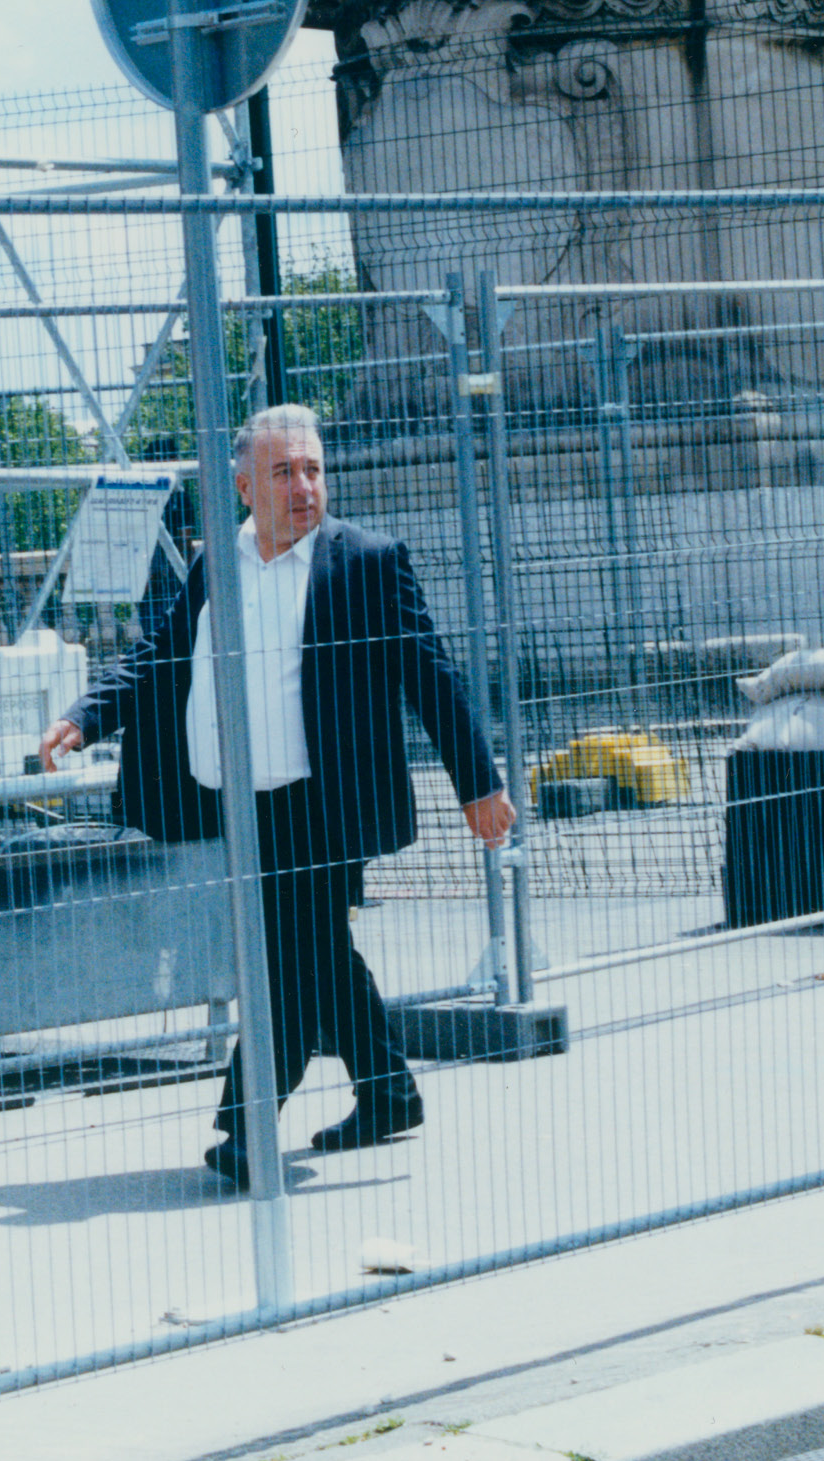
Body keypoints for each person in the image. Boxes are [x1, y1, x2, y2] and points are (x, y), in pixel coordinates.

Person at [38, 406, 514, 1186]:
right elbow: (157, 657)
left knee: (286, 965)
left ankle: (244, 1127)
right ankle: (389, 1090)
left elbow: (432, 673)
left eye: (313, 469)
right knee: (318, 952)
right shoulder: (214, 566)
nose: (304, 486)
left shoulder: (366, 562)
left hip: (320, 801)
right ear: (243, 486)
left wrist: (478, 783)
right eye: (284, 472)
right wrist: (82, 718)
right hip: (237, 803)